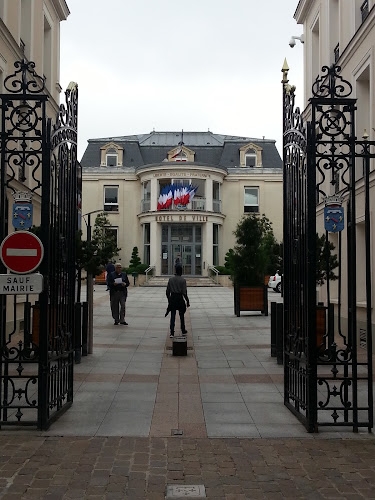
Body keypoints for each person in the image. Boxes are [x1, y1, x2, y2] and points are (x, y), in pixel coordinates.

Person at [166, 266, 190, 338]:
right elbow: (184, 292)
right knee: (181, 315)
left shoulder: (171, 279)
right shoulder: (183, 280)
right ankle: (183, 330)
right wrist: (187, 301)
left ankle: (172, 332)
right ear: (181, 272)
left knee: (172, 315)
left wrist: (169, 300)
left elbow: (167, 292)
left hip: (173, 297)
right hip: (180, 298)